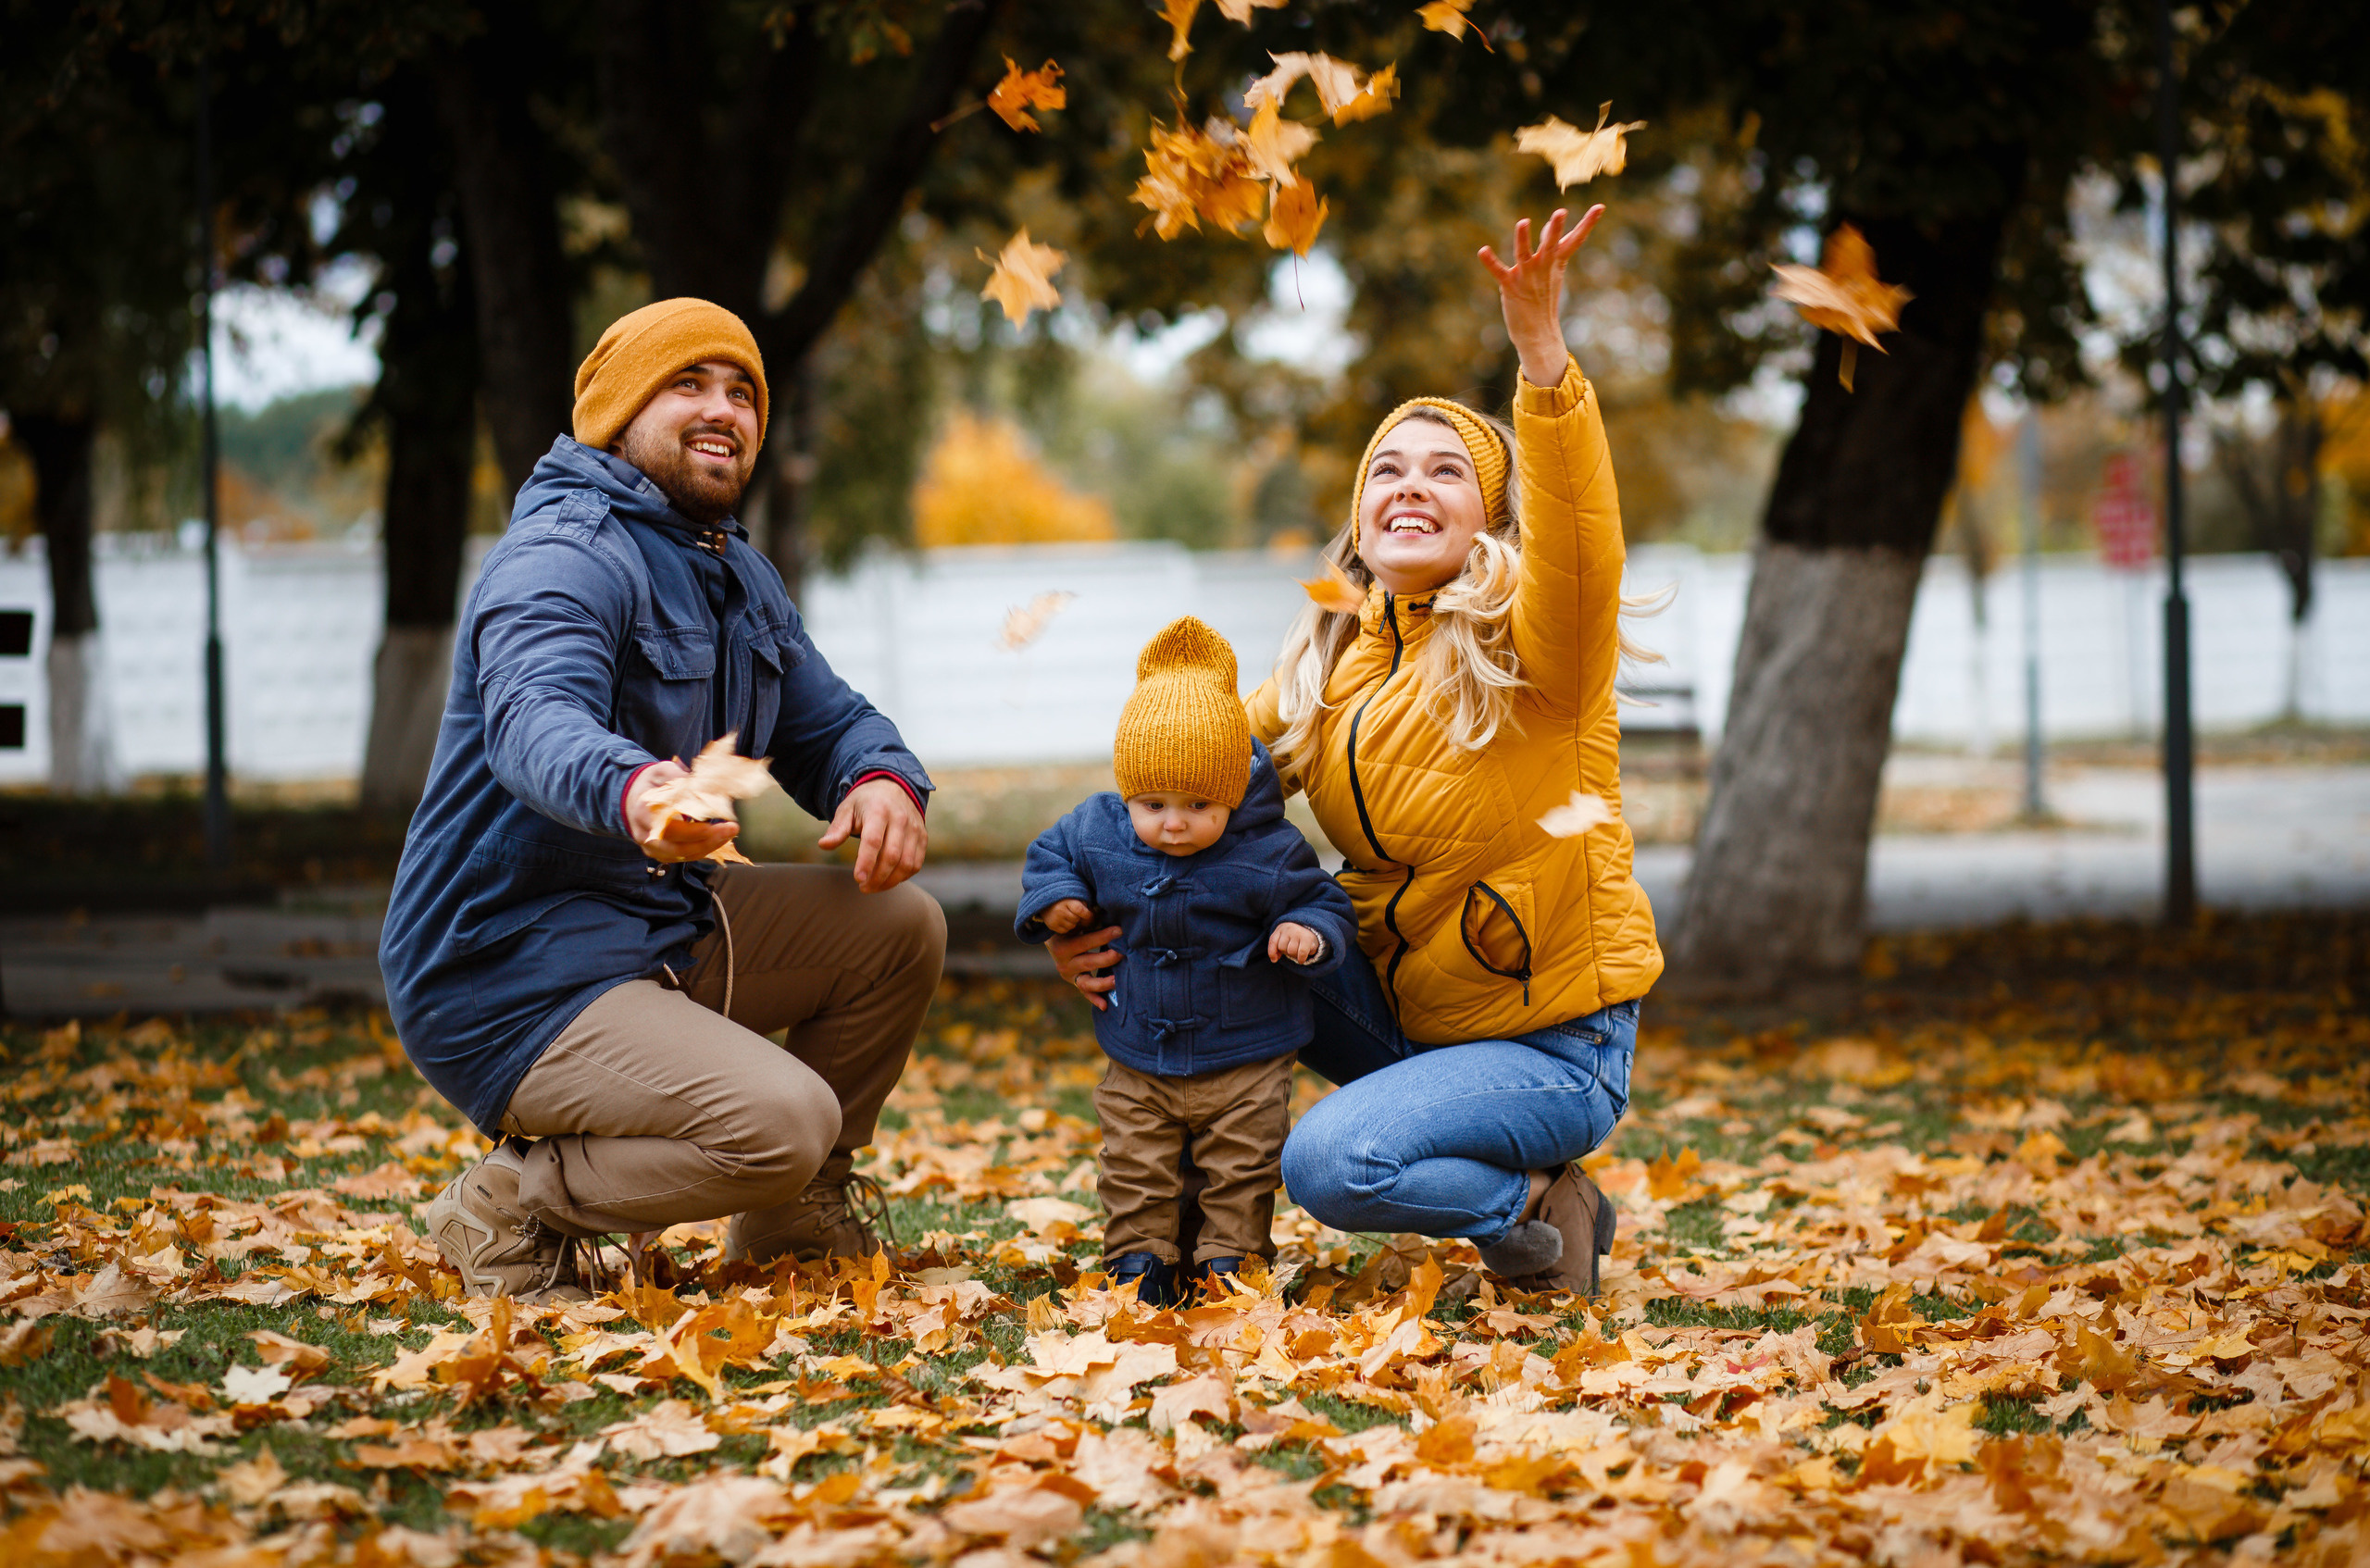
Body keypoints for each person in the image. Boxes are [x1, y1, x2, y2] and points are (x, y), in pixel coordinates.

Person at [1048, 207, 1660, 1298]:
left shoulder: (1541, 652)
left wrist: (1542, 362)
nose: (1410, 485)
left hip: (1553, 1037)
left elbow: (1581, 541)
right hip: (1410, 1011)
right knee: (1225, 927)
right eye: (1387, 469)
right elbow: (1182, 776)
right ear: (1361, 514)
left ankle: (1530, 1199)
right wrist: (1082, 905)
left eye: (1444, 471)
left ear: (1492, 517)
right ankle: (1181, 1221)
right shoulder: (1333, 657)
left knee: (1333, 1161)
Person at [381, 298, 944, 1303]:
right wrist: (636, 783)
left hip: (652, 930)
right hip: (508, 962)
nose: (722, 408)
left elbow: (826, 720)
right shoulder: (565, 552)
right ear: (616, 410)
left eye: (741, 391)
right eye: (687, 382)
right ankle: (512, 1200)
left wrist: (881, 779)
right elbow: (532, 720)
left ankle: (788, 1217)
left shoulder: (733, 569)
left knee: (897, 926)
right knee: (783, 1117)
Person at [1017, 618, 1356, 1307]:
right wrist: (1057, 902)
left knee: (1241, 1166)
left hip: (1246, 1055)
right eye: (1154, 804)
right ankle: (1139, 1263)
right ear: (1127, 793)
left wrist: (1304, 931)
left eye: (1199, 806)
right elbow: (1049, 857)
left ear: (1233, 792)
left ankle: (1230, 1267)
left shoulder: (1266, 848)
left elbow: (1322, 900)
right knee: (1136, 1163)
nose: (1174, 823)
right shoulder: (1098, 829)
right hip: (1139, 1048)